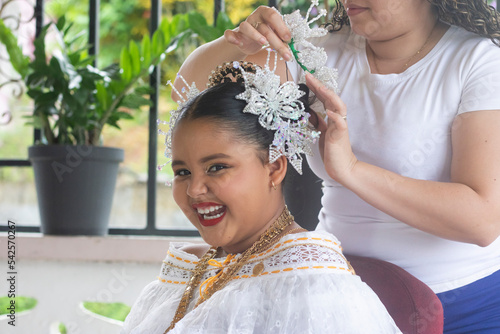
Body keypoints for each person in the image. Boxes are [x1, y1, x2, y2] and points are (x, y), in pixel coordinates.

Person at [174, 1, 500, 333]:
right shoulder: (319, 54)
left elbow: (483, 220)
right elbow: (186, 95)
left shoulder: (479, 60)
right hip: (334, 296)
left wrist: (351, 170)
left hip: (465, 306)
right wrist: (236, 43)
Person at [121, 59, 401, 333]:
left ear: (274, 168)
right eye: (182, 172)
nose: (194, 189)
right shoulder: (190, 266)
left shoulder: (308, 279)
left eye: (217, 168)